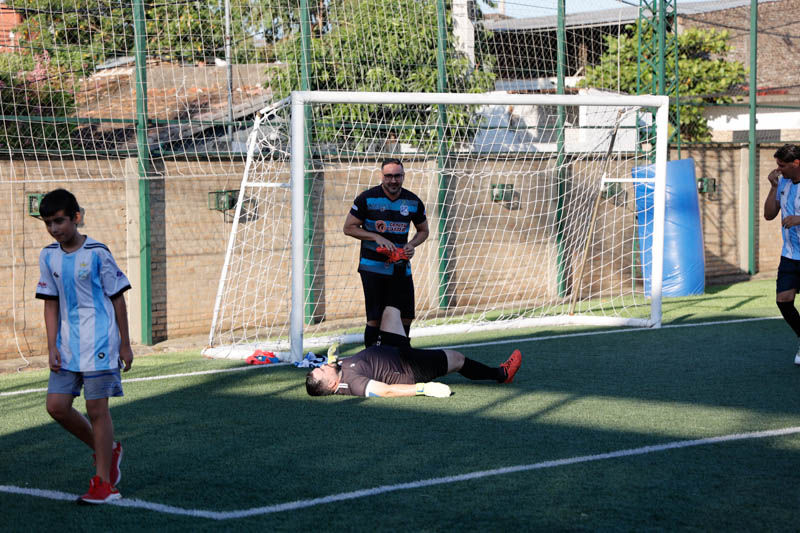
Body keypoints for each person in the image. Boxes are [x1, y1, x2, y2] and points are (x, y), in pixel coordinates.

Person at [35, 189, 133, 504]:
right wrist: (51, 346)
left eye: (60, 221)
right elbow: (50, 305)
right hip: (67, 347)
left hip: (101, 344)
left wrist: (125, 344)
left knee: (97, 409)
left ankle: (104, 484)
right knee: (57, 406)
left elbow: (118, 298)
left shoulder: (98, 252)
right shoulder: (48, 256)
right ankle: (108, 450)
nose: (54, 228)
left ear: (77, 217)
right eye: (48, 223)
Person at [305, 306, 522, 397]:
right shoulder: (353, 383)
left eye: (320, 367)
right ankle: (501, 375)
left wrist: (335, 361)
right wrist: (423, 389)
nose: (323, 366)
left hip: (391, 350)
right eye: (323, 370)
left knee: (390, 312)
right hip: (407, 366)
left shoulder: (341, 372)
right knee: (457, 359)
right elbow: (386, 391)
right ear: (332, 384)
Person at [343, 158, 429, 347]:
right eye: (388, 176)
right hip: (373, 268)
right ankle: (372, 362)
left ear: (403, 177)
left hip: (401, 268)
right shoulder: (367, 199)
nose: (393, 180)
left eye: (397, 176)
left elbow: (423, 231)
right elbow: (349, 228)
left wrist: (412, 245)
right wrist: (375, 237)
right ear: (381, 176)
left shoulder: (413, 201)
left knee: (406, 316)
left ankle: (402, 359)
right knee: (376, 319)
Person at [764, 144, 800, 365]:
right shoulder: (783, 183)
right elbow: (769, 215)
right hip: (790, 255)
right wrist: (772, 186)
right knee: (783, 300)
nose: (778, 169)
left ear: (796, 163)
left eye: (782, 165)